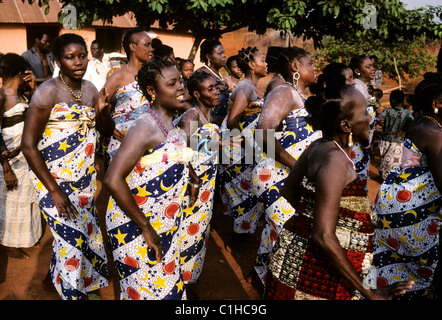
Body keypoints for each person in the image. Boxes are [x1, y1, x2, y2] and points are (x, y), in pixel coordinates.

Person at [265, 84, 414, 300]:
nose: (370, 118)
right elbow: (324, 236)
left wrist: (310, 219)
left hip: (295, 258)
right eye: (364, 112)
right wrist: (370, 293)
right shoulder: (335, 160)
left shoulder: (318, 146)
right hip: (316, 272)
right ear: (346, 125)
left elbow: (289, 190)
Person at [20, 33, 113, 300]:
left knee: (81, 237)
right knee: (71, 243)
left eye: (82, 55)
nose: (78, 62)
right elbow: (28, 146)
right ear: (58, 61)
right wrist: (54, 191)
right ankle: (73, 294)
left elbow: (105, 131)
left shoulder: (91, 90)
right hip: (52, 182)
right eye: (70, 57)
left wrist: (104, 112)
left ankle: (52, 280)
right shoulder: (46, 92)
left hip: (83, 181)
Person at [103, 59, 196, 300]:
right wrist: (145, 227)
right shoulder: (144, 127)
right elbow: (112, 179)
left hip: (163, 223)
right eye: (172, 83)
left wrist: (192, 178)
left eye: (181, 82)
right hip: (135, 228)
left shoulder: (170, 122)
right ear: (152, 91)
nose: (180, 88)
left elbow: (174, 156)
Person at [251, 46, 322, 286]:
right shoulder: (283, 92)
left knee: (278, 233)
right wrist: (297, 166)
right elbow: (263, 133)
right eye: (310, 63)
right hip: (276, 176)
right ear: (295, 67)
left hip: (289, 176)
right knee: (285, 232)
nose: (314, 68)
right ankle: (270, 282)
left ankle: (262, 276)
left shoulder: (296, 95)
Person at [372, 72, 442, 300]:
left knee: (389, 267)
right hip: (416, 215)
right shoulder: (435, 134)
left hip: (395, 203)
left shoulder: (419, 124)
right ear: (437, 104)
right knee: (417, 278)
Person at [218, 47, 267, 257]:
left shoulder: (250, 86)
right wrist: (244, 146)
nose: (266, 63)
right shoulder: (246, 88)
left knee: (247, 194)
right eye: (262, 60)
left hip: (246, 149)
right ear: (251, 65)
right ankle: (235, 243)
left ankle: (242, 236)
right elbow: (232, 120)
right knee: (243, 196)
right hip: (239, 151)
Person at [177, 71, 220, 288]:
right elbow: (180, 151)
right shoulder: (191, 116)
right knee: (186, 232)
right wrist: (193, 181)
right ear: (196, 93)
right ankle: (180, 282)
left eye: (216, 87)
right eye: (209, 89)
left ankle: (189, 279)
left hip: (205, 186)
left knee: (198, 232)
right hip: (190, 186)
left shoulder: (208, 116)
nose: (216, 91)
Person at [0, 53, 41, 260]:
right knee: (12, 199)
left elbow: (37, 113)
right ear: (19, 72)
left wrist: (33, 88)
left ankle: (25, 238)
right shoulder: (1, 96)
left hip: (25, 157)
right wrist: (6, 167)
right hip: (8, 160)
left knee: (26, 198)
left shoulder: (22, 94)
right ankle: (9, 243)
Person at [103, 28, 154, 162]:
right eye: (147, 45)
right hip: (124, 146)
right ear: (132, 47)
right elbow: (99, 108)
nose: (151, 49)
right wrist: (119, 136)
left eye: (151, 45)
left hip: (148, 143)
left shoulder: (152, 75)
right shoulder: (118, 76)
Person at [349, 55, 376, 189]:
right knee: (355, 184)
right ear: (357, 71)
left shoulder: (362, 87)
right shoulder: (358, 88)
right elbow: (359, 121)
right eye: (368, 66)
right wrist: (366, 145)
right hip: (358, 145)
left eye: (372, 66)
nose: (373, 69)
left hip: (362, 143)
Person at [376, 90, 414, 179]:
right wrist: (403, 131)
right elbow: (413, 123)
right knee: (394, 161)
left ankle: (383, 176)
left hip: (386, 139)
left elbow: (378, 119)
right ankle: (389, 178)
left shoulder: (388, 111)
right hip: (398, 141)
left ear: (392, 100)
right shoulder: (407, 113)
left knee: (384, 159)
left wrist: (384, 127)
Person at [196, 38, 229, 120]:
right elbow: (187, 101)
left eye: (223, 53)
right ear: (208, 56)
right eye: (220, 53)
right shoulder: (201, 75)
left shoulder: (218, 74)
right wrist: (208, 118)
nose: (224, 56)